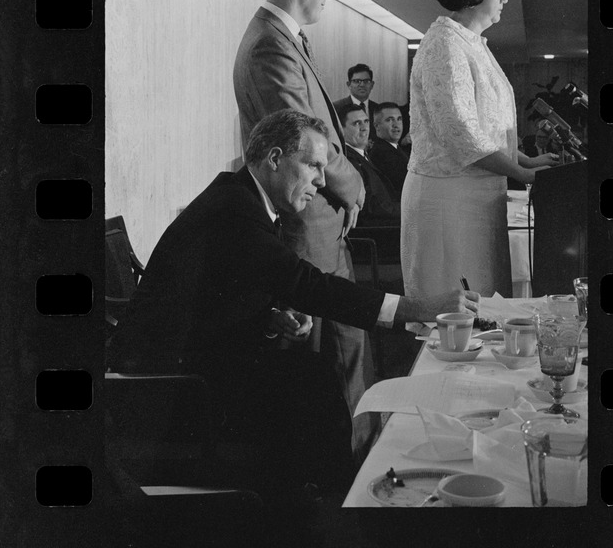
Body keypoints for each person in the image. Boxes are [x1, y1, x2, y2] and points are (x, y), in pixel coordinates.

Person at [108, 110, 476, 508]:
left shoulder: (242, 199)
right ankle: (331, 510)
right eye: (313, 166)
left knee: (313, 377)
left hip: (195, 361)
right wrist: (419, 307)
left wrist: (269, 319)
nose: (321, 181)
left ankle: (323, 500)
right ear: (275, 158)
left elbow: (214, 295)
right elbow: (306, 284)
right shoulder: (235, 211)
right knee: (312, 386)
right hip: (170, 392)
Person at [232, 0, 372, 458]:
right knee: (331, 357)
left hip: (318, 218)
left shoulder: (281, 37)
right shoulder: (270, 42)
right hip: (306, 222)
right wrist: (352, 182)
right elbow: (302, 140)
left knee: (344, 347)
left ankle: (356, 461)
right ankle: (346, 475)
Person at [402, 0, 559, 302]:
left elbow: (485, 128)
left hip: (477, 197)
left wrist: (526, 160)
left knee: (483, 306)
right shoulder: (445, 44)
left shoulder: (471, 43)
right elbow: (461, 134)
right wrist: (522, 174)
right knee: (457, 310)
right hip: (450, 200)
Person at [340, 104, 400, 226]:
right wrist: (404, 210)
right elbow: (369, 205)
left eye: (366, 122)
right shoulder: (348, 160)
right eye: (357, 123)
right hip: (376, 230)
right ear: (341, 129)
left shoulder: (362, 155)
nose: (364, 128)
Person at [369, 102, 410, 195]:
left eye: (399, 119)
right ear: (376, 126)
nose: (396, 125)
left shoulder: (393, 148)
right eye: (389, 120)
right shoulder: (382, 154)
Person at [332, 64, 380, 135]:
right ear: (349, 84)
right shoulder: (336, 108)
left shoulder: (378, 109)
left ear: (372, 85)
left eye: (366, 81)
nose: (362, 85)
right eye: (357, 81)